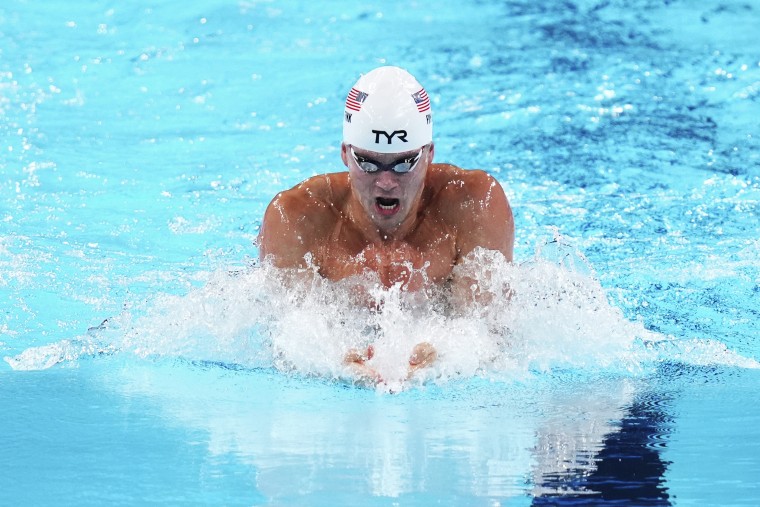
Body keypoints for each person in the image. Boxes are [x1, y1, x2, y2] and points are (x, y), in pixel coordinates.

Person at [258, 66, 514, 384]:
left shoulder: (474, 204)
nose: (387, 182)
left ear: (429, 154)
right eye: (368, 162)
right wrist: (334, 362)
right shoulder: (296, 217)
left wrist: (446, 355)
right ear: (345, 155)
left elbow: (490, 332)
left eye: (405, 163)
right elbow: (284, 340)